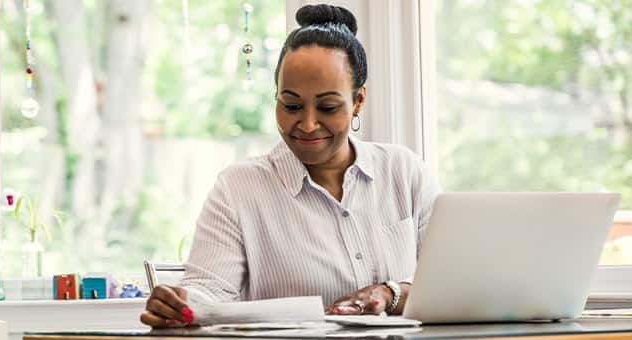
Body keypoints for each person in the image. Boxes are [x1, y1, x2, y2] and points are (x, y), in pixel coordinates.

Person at [140, 3, 438, 328]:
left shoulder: (405, 172)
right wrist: (180, 305)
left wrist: (388, 294)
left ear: (358, 101)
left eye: (327, 107)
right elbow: (209, 293)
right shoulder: (238, 189)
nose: (307, 124)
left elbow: (448, 283)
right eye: (291, 105)